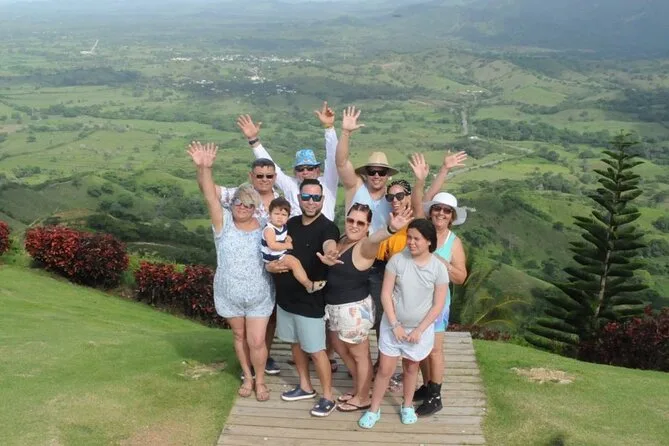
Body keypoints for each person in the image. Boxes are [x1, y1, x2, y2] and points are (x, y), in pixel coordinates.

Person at [187, 142, 274, 402]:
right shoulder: (222, 223)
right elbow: (209, 196)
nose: (242, 207)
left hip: (259, 294)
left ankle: (260, 380)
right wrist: (205, 168)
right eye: (238, 202)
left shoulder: (265, 226)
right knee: (239, 335)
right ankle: (247, 376)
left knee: (256, 341)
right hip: (230, 293)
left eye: (248, 204)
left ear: (255, 207)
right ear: (232, 203)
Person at [358, 219, 448, 429]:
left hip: (419, 330)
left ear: (429, 241)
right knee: (385, 369)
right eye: (409, 237)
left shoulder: (438, 268)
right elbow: (386, 294)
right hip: (393, 326)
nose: (411, 242)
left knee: (411, 367)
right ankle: (374, 409)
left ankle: (407, 406)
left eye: (417, 239)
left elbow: (438, 304)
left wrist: (419, 330)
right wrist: (395, 324)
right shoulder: (397, 260)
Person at [325, 203, 412, 413]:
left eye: (360, 223)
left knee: (360, 354)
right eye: (350, 220)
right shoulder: (343, 240)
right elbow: (328, 241)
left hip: (353, 310)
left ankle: (363, 397)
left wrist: (390, 229)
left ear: (367, 226)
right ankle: (360, 388)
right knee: (338, 346)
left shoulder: (365, 245)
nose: (354, 225)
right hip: (335, 308)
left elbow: (375, 240)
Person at [265, 179, 341, 417]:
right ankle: (305, 386)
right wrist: (270, 266)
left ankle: (328, 397)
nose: (311, 202)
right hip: (286, 298)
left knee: (316, 350)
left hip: (311, 300)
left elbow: (330, 244)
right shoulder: (290, 223)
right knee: (295, 344)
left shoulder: (328, 227)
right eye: (306, 197)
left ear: (322, 200)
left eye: (316, 197)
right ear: (299, 199)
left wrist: (330, 253)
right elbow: (273, 248)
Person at [214, 155, 288, 377]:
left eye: (269, 176)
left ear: (275, 177)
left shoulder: (281, 201)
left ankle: (265, 357)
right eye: (260, 175)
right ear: (251, 176)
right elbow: (210, 192)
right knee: (244, 331)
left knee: (268, 320)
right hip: (241, 273)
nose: (264, 179)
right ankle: (251, 367)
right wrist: (203, 168)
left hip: (271, 267)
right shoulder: (239, 194)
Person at [411, 152, 468, 417]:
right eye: (437, 209)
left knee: (435, 350)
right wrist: (435, 173)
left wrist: (440, 261)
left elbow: (461, 277)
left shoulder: (453, 243)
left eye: (446, 211)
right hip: (417, 300)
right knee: (421, 349)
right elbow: (417, 202)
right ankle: (426, 386)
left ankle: (436, 395)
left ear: (452, 216)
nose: (441, 213)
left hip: (438, 303)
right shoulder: (423, 232)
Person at [236, 101, 339, 221]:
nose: (305, 172)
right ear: (295, 172)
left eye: (310, 168)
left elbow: (333, 159)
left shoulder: (327, 184)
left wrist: (329, 128)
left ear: (317, 170)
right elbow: (270, 167)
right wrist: (253, 139)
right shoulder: (291, 186)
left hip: (325, 232)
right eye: (300, 169)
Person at [335, 106, 398, 233]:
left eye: (381, 172)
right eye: (372, 171)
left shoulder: (393, 198)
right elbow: (341, 163)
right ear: (366, 173)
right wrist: (345, 133)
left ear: (387, 175)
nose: (376, 175)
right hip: (355, 243)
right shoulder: (356, 186)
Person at [261, 197, 326, 293]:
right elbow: (272, 245)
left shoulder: (282, 226)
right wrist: (287, 245)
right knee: (294, 263)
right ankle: (309, 285)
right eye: (276, 214)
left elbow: (281, 237)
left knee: (295, 262)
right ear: (270, 214)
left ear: (288, 217)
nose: (280, 217)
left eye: (284, 215)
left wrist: (287, 237)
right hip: (272, 256)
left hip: (278, 254)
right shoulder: (269, 229)